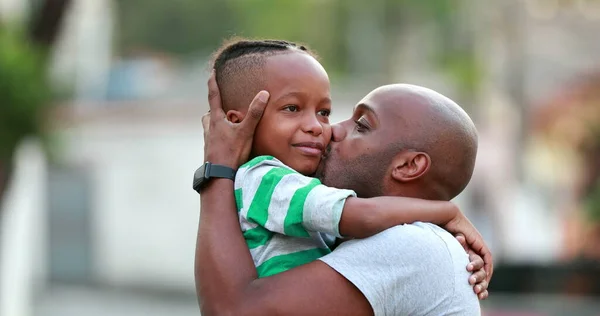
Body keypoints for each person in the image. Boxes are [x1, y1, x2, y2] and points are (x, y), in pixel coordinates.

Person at [195, 76, 491, 315]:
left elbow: (232, 310)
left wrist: (218, 170)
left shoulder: (412, 245)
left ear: (408, 166)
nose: (331, 131)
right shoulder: (360, 239)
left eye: (361, 125)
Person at [207, 38, 489, 278]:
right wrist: (446, 212)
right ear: (239, 123)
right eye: (292, 108)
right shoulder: (265, 180)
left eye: (323, 112)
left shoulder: (294, 189)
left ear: (409, 166)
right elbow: (365, 216)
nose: (320, 128)